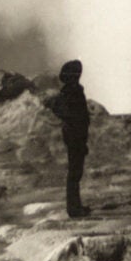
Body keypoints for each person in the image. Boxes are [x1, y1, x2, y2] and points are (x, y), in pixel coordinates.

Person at [48, 59, 90, 218]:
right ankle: (74, 209)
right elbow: (66, 113)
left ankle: (76, 206)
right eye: (76, 73)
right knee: (74, 173)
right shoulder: (70, 93)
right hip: (74, 136)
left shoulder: (74, 91)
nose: (78, 75)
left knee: (76, 172)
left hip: (77, 136)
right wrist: (73, 123)